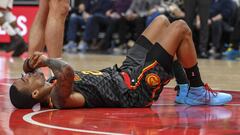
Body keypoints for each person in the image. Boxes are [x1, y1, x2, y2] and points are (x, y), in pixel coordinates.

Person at [9, 15, 232, 109]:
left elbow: (31, 71)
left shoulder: (48, 83)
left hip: (124, 71)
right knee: (181, 28)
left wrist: (30, 65)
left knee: (162, 21)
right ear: (36, 94)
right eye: (25, 80)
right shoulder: (58, 99)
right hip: (134, 89)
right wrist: (47, 60)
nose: (25, 76)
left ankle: (183, 89)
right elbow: (66, 70)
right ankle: (195, 89)